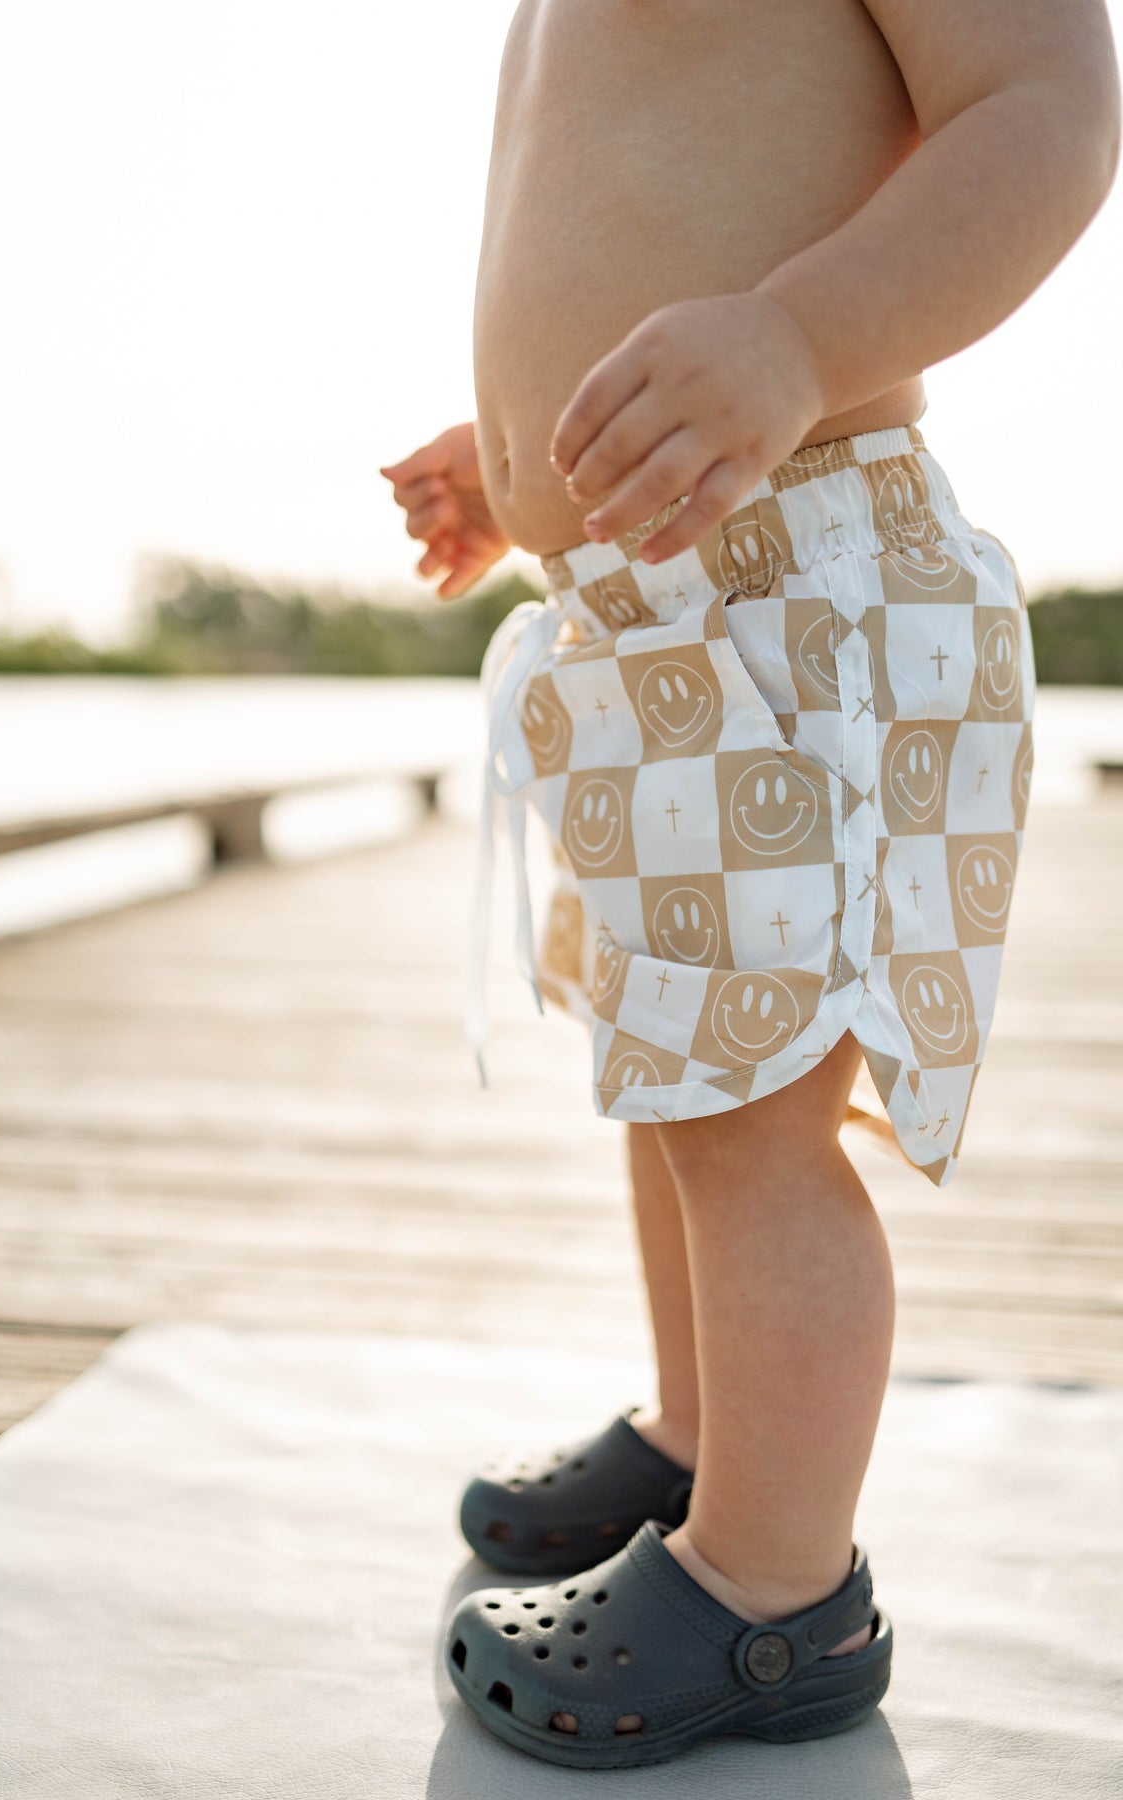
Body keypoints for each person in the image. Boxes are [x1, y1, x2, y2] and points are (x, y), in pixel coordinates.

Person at [381, 0, 1120, 1769]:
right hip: (655, 585)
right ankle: (709, 1432)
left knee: (761, 1111)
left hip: (802, 574)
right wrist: (532, 452)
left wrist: (793, 337)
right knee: (675, 1063)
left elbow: (1050, 101)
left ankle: (775, 1595)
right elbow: (649, 191)